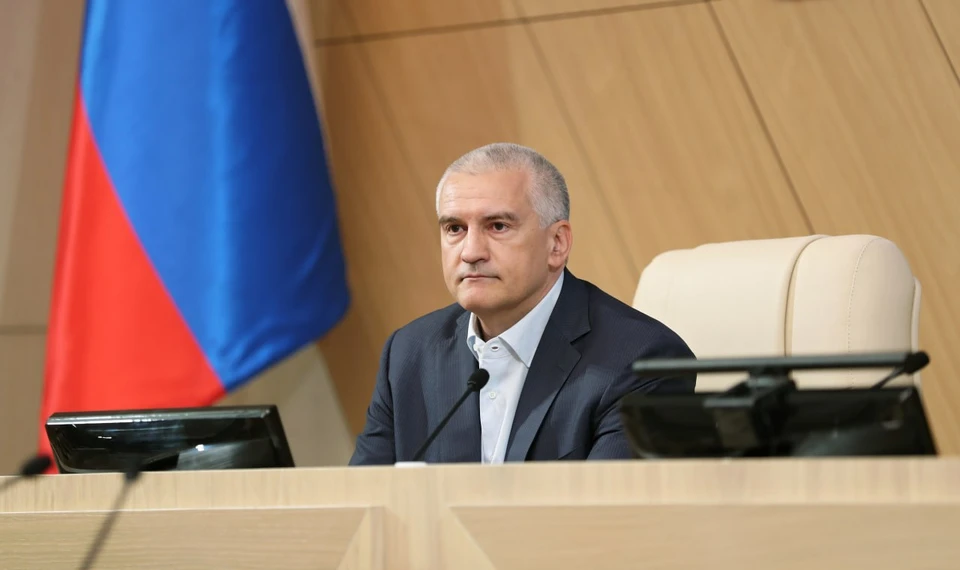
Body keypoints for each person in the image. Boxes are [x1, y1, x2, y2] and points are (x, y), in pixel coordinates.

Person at [349, 143, 695, 465]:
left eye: (497, 226)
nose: (470, 252)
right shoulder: (408, 354)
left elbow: (608, 508)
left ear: (557, 243)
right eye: (454, 228)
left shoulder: (642, 362)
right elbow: (363, 499)